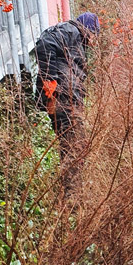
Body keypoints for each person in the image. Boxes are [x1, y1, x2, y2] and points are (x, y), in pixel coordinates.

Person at [34, 12, 100, 187]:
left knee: (73, 144)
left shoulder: (76, 38)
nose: (94, 41)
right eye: (95, 34)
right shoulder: (71, 31)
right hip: (63, 99)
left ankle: (71, 190)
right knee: (74, 144)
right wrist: (50, 80)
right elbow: (44, 43)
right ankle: (72, 195)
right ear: (90, 29)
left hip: (67, 100)